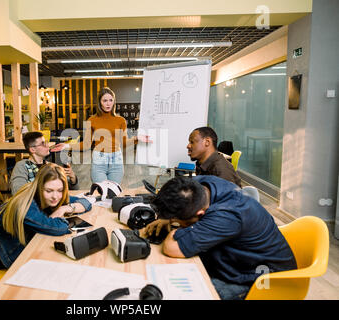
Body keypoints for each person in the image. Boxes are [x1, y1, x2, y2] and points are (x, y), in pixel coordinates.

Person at [143, 175, 297, 300]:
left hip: (261, 279)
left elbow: (171, 247)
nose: (175, 223)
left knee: (179, 295)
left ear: (200, 214)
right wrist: (169, 218)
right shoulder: (198, 187)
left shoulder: (228, 215)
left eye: (178, 222)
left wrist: (174, 228)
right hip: (239, 260)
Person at [0, 163, 92, 269]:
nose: (55, 196)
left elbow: (86, 202)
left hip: (15, 240)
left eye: (60, 190)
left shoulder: (53, 197)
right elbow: (59, 228)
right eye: (49, 191)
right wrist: (60, 215)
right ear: (39, 187)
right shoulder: (27, 204)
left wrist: (66, 208)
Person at [51, 87, 150, 185]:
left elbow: (123, 143)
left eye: (111, 100)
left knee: (113, 192)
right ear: (99, 102)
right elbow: (86, 144)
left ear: (114, 102)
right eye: (105, 100)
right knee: (101, 190)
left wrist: (136, 138)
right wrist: (67, 145)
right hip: (99, 160)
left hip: (116, 160)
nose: (108, 103)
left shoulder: (121, 120)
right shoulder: (92, 120)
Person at [10, 131, 78, 195]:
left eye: (46, 142)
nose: (47, 145)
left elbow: (70, 191)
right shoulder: (22, 166)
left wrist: (73, 178)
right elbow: (18, 192)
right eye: (43, 144)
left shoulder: (51, 166)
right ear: (32, 149)